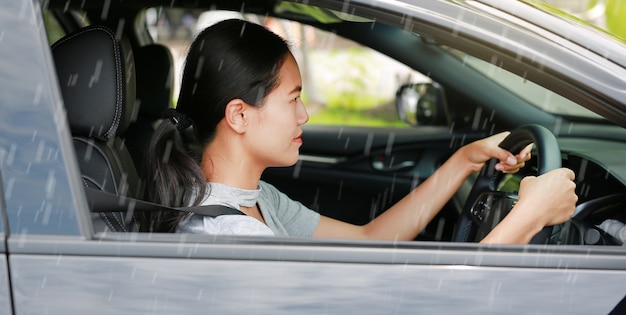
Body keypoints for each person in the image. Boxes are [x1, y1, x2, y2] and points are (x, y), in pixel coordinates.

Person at [143, 19, 577, 244]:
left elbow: (372, 238)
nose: (305, 115)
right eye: (293, 99)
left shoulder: (255, 201)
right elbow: (448, 303)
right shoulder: (232, 237)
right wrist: (530, 215)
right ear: (238, 116)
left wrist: (465, 160)